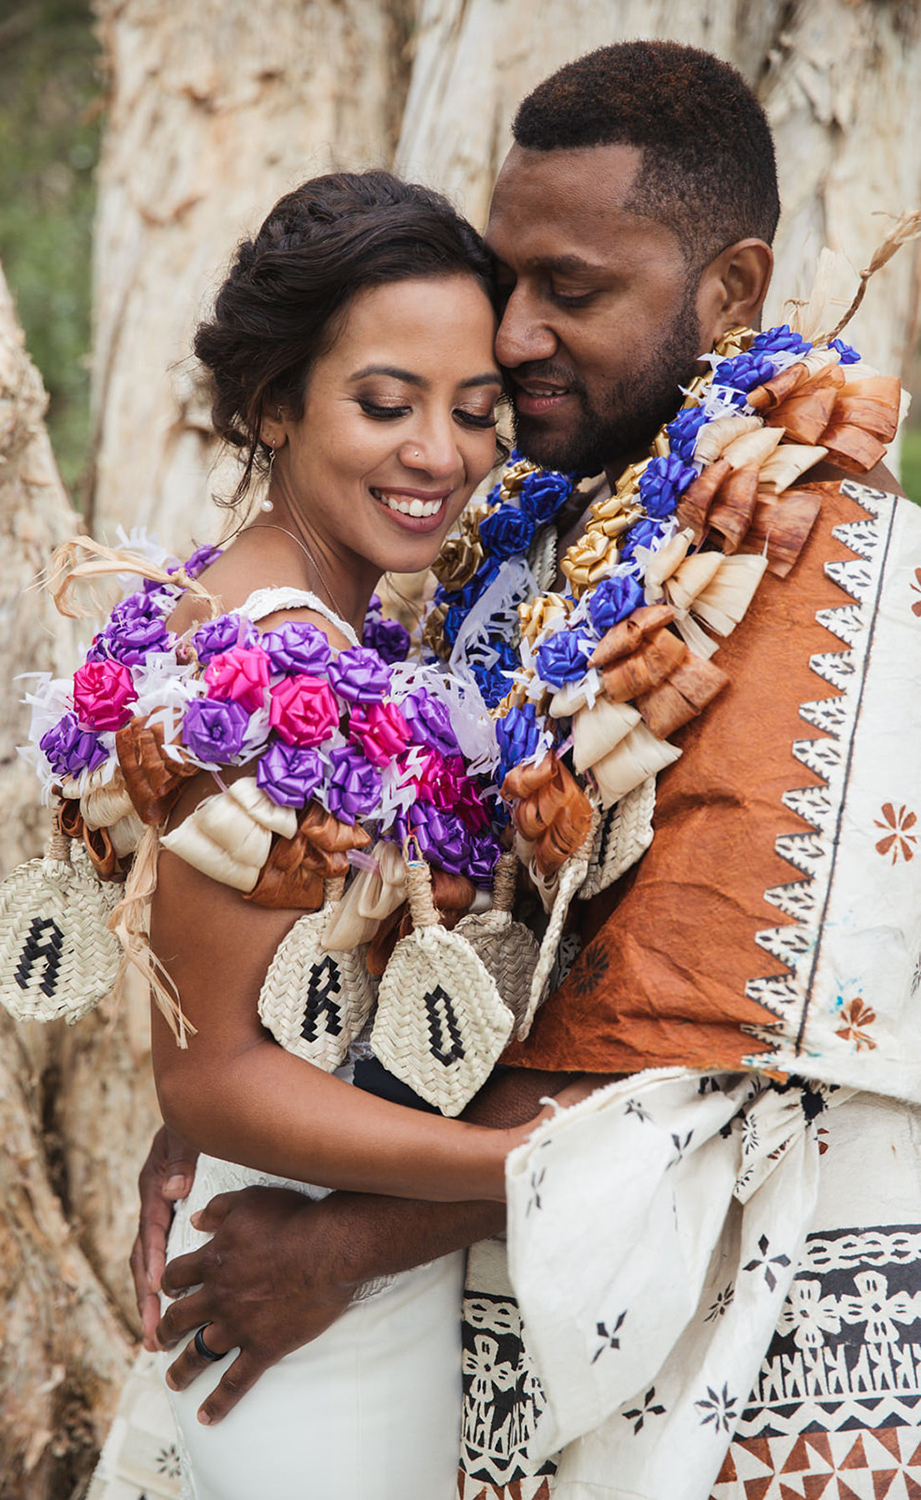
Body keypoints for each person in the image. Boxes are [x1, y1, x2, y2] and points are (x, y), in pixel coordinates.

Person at [132, 41, 921, 1500]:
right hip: (513, 1309)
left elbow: (693, 1046)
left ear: (732, 293)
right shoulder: (540, 528)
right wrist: (225, 1119)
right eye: (510, 280)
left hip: (754, 1356)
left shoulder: (806, 550)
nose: (511, 334)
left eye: (573, 289)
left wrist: (344, 1234)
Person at [69, 168, 591, 1500]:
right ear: (273, 403)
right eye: (385, 403)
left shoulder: (279, 603)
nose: (440, 455)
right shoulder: (279, 665)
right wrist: (532, 1170)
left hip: (308, 1205)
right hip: (295, 1269)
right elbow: (212, 1078)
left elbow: (221, 1015)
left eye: (477, 413)